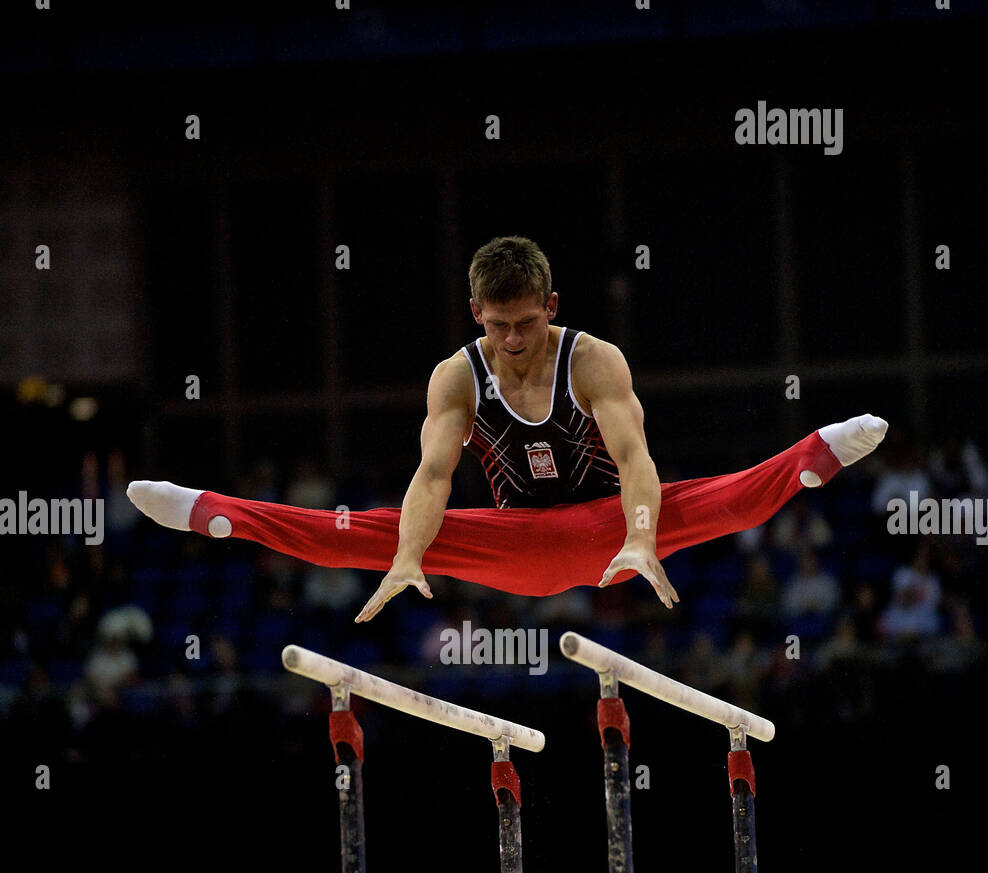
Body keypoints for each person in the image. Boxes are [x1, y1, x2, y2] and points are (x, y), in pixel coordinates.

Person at [127, 235, 888, 617]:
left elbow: (635, 458)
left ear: (550, 306)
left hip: (609, 526)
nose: (515, 338)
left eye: (527, 322)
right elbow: (433, 475)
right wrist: (408, 558)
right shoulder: (457, 375)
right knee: (372, 530)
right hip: (509, 541)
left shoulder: (594, 363)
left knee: (724, 498)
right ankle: (212, 511)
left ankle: (812, 455)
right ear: (476, 315)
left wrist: (641, 537)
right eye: (499, 325)